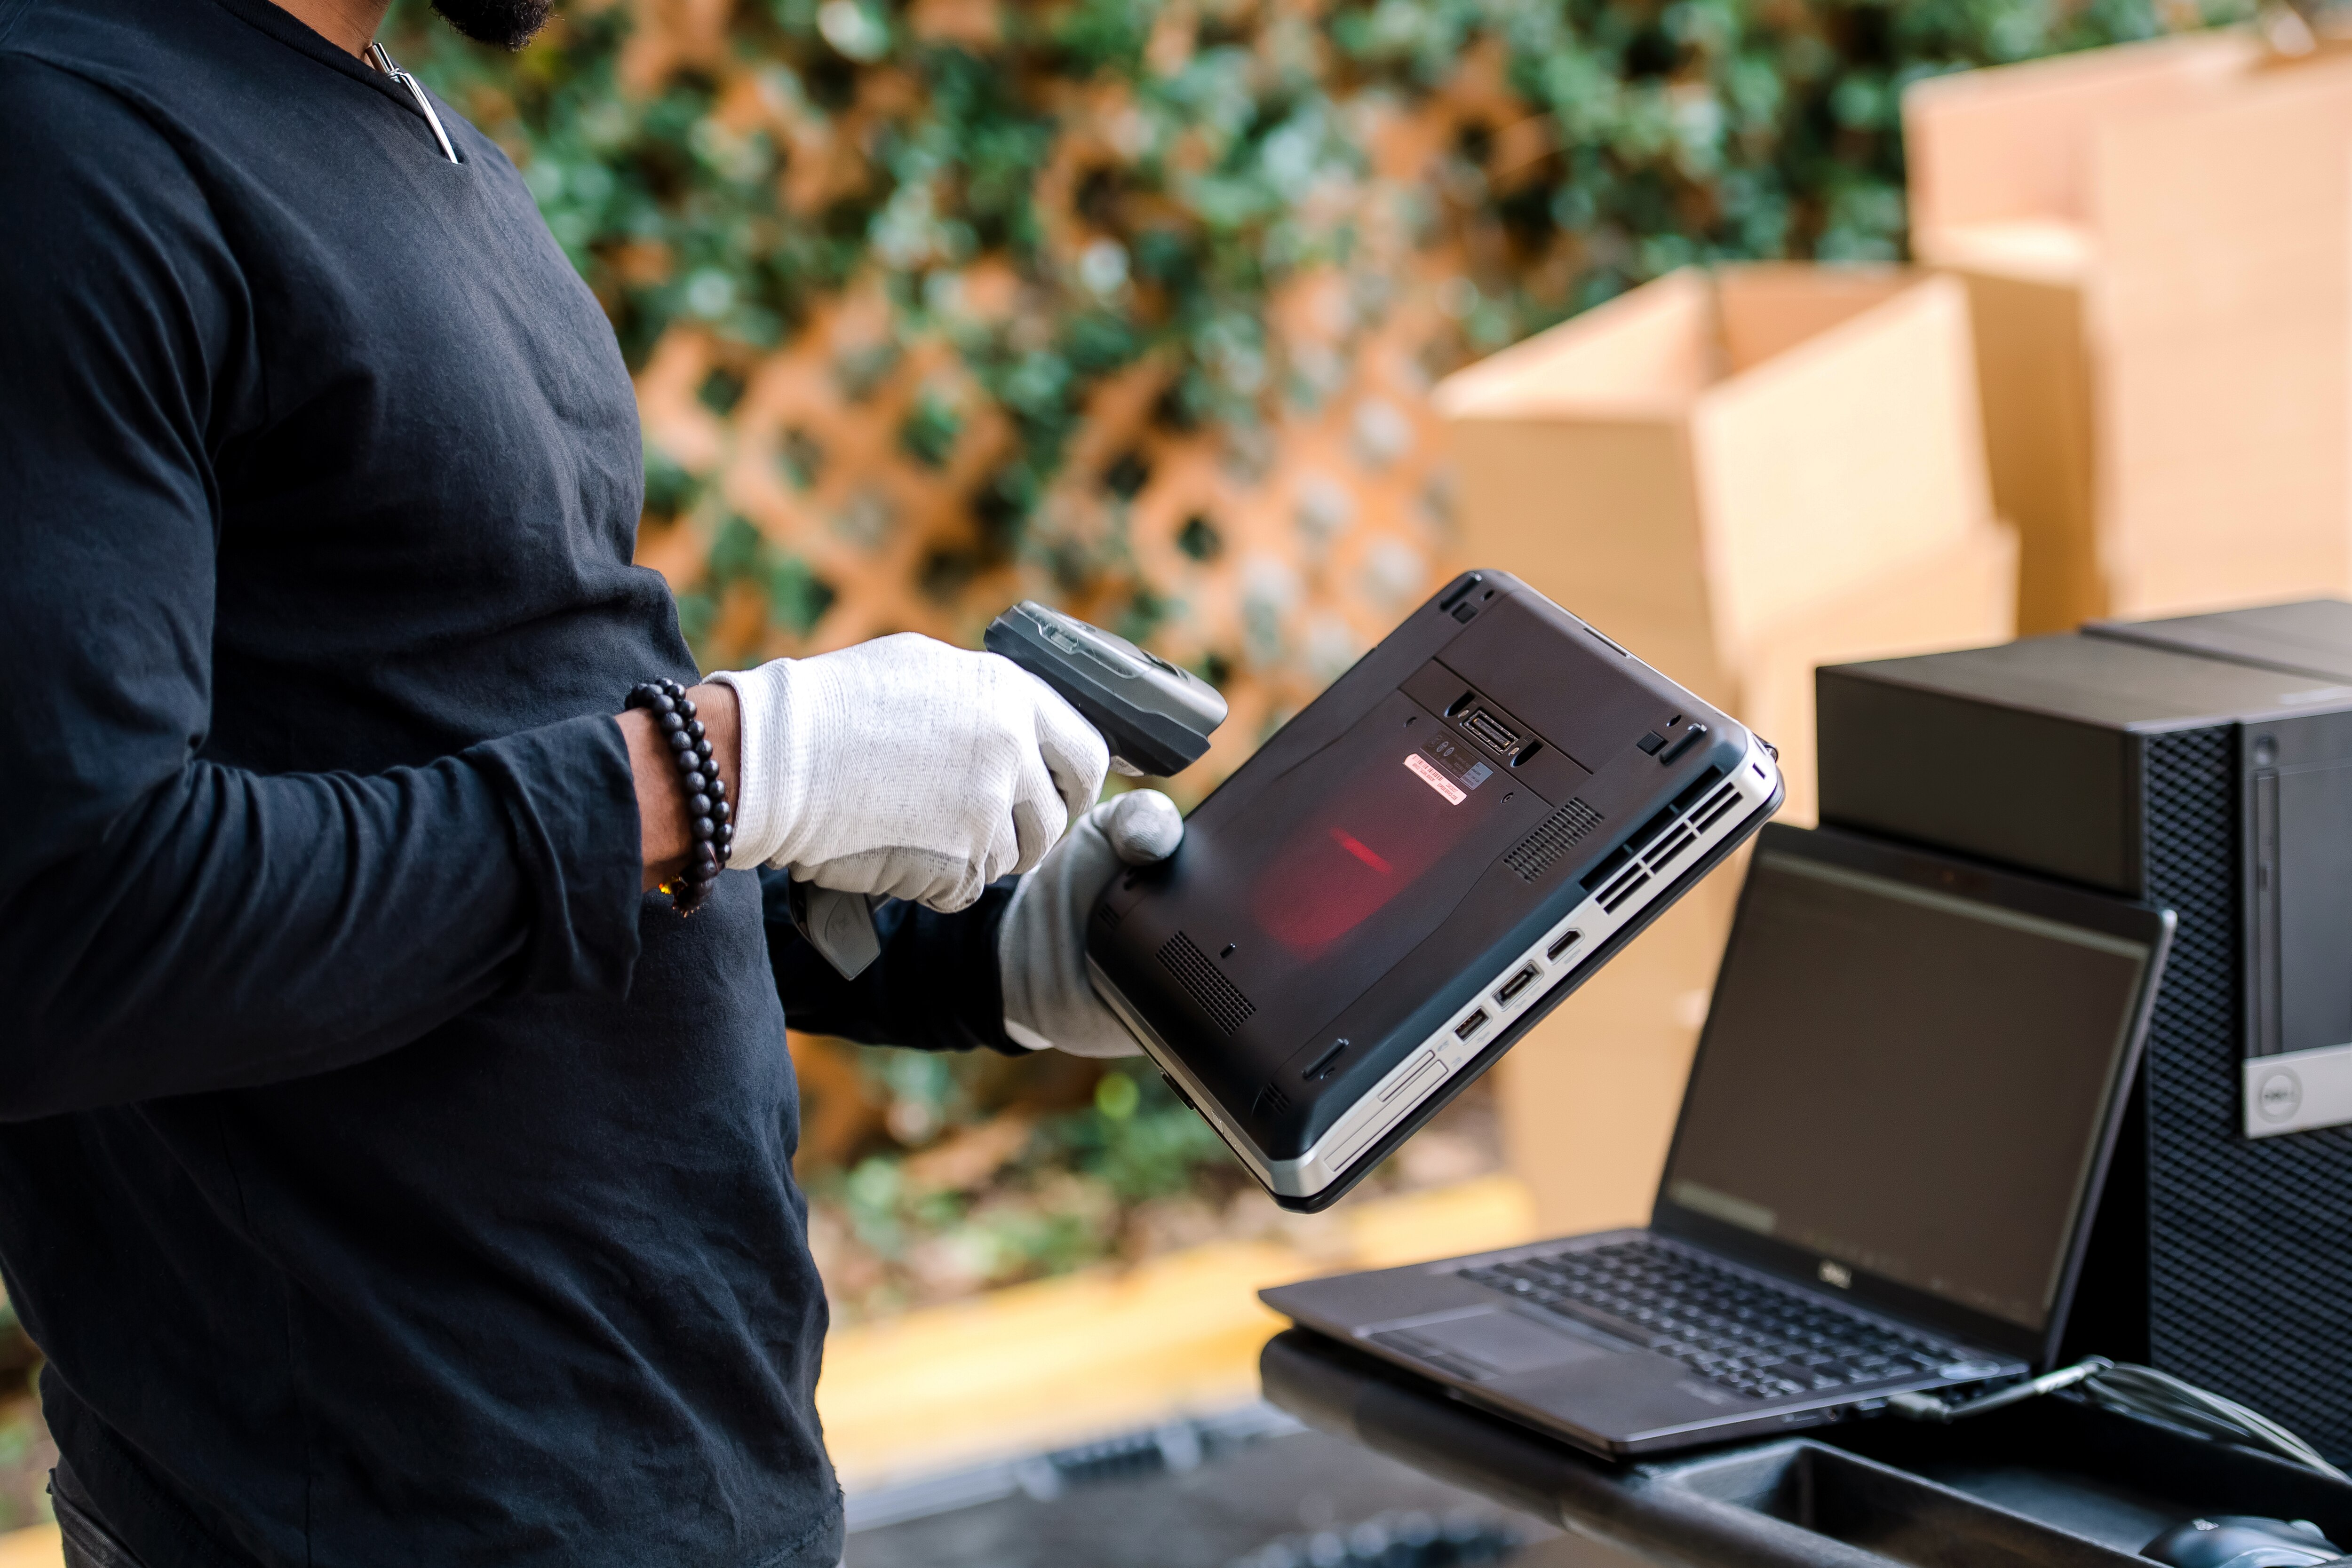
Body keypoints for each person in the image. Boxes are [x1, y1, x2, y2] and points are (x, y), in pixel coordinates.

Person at [0, 0, 1183, 1561]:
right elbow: (78, 926)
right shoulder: (66, 141)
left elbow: (452, 757)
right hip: (367, 1508)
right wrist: (725, 766)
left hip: (664, 1467)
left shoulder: (402, 138)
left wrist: (970, 964)